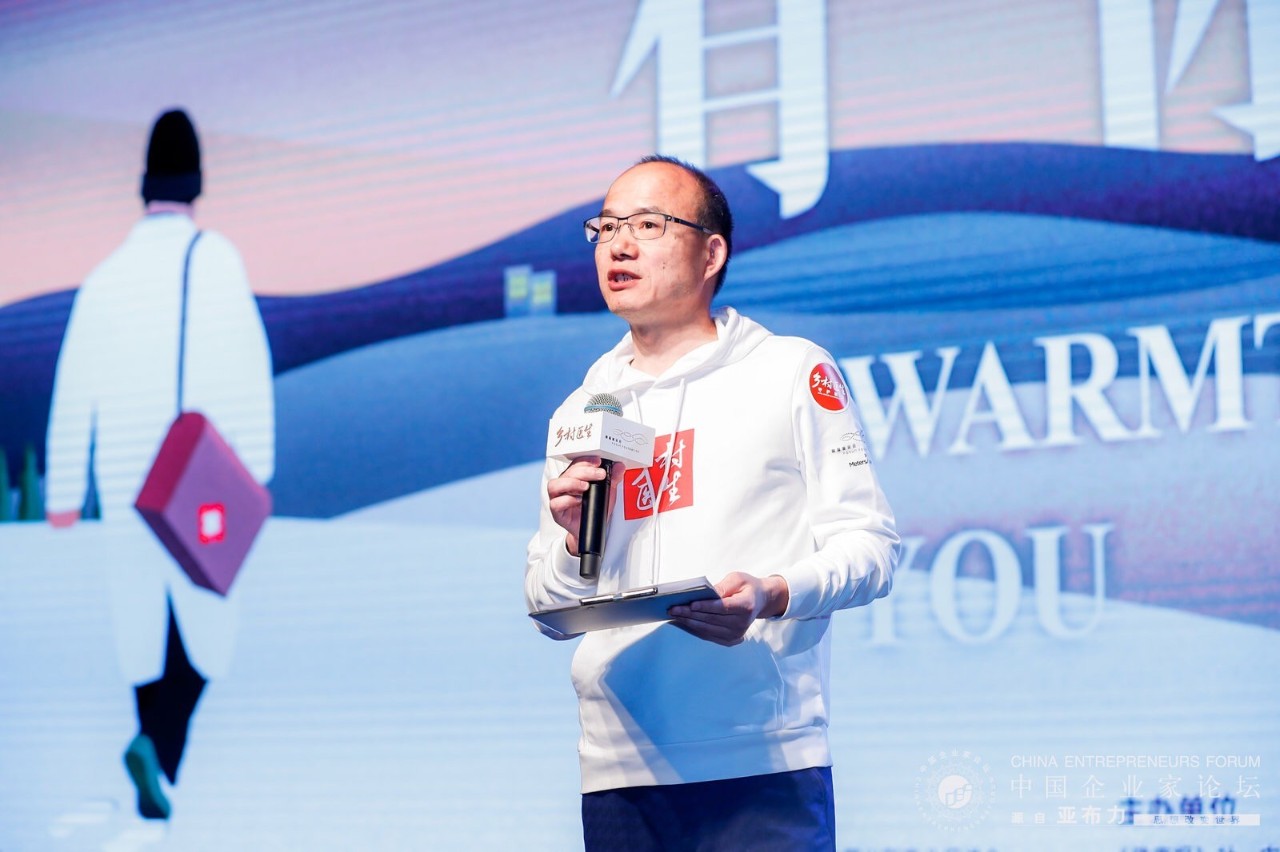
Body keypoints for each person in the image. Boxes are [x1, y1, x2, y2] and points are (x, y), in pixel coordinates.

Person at [524, 155, 899, 850]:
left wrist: (771, 593)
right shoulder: (584, 409)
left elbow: (871, 549)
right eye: (606, 228)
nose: (619, 246)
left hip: (760, 758)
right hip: (617, 769)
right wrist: (575, 544)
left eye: (647, 225)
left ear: (711, 253)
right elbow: (546, 607)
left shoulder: (789, 370)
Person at [44, 108, 275, 820]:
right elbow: (248, 362)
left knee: (141, 625)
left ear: (144, 185)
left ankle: (152, 758)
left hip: (125, 485)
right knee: (207, 623)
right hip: (199, 480)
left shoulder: (105, 277)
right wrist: (258, 466)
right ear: (196, 182)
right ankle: (156, 746)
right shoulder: (217, 259)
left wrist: (62, 491)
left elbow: (73, 387)